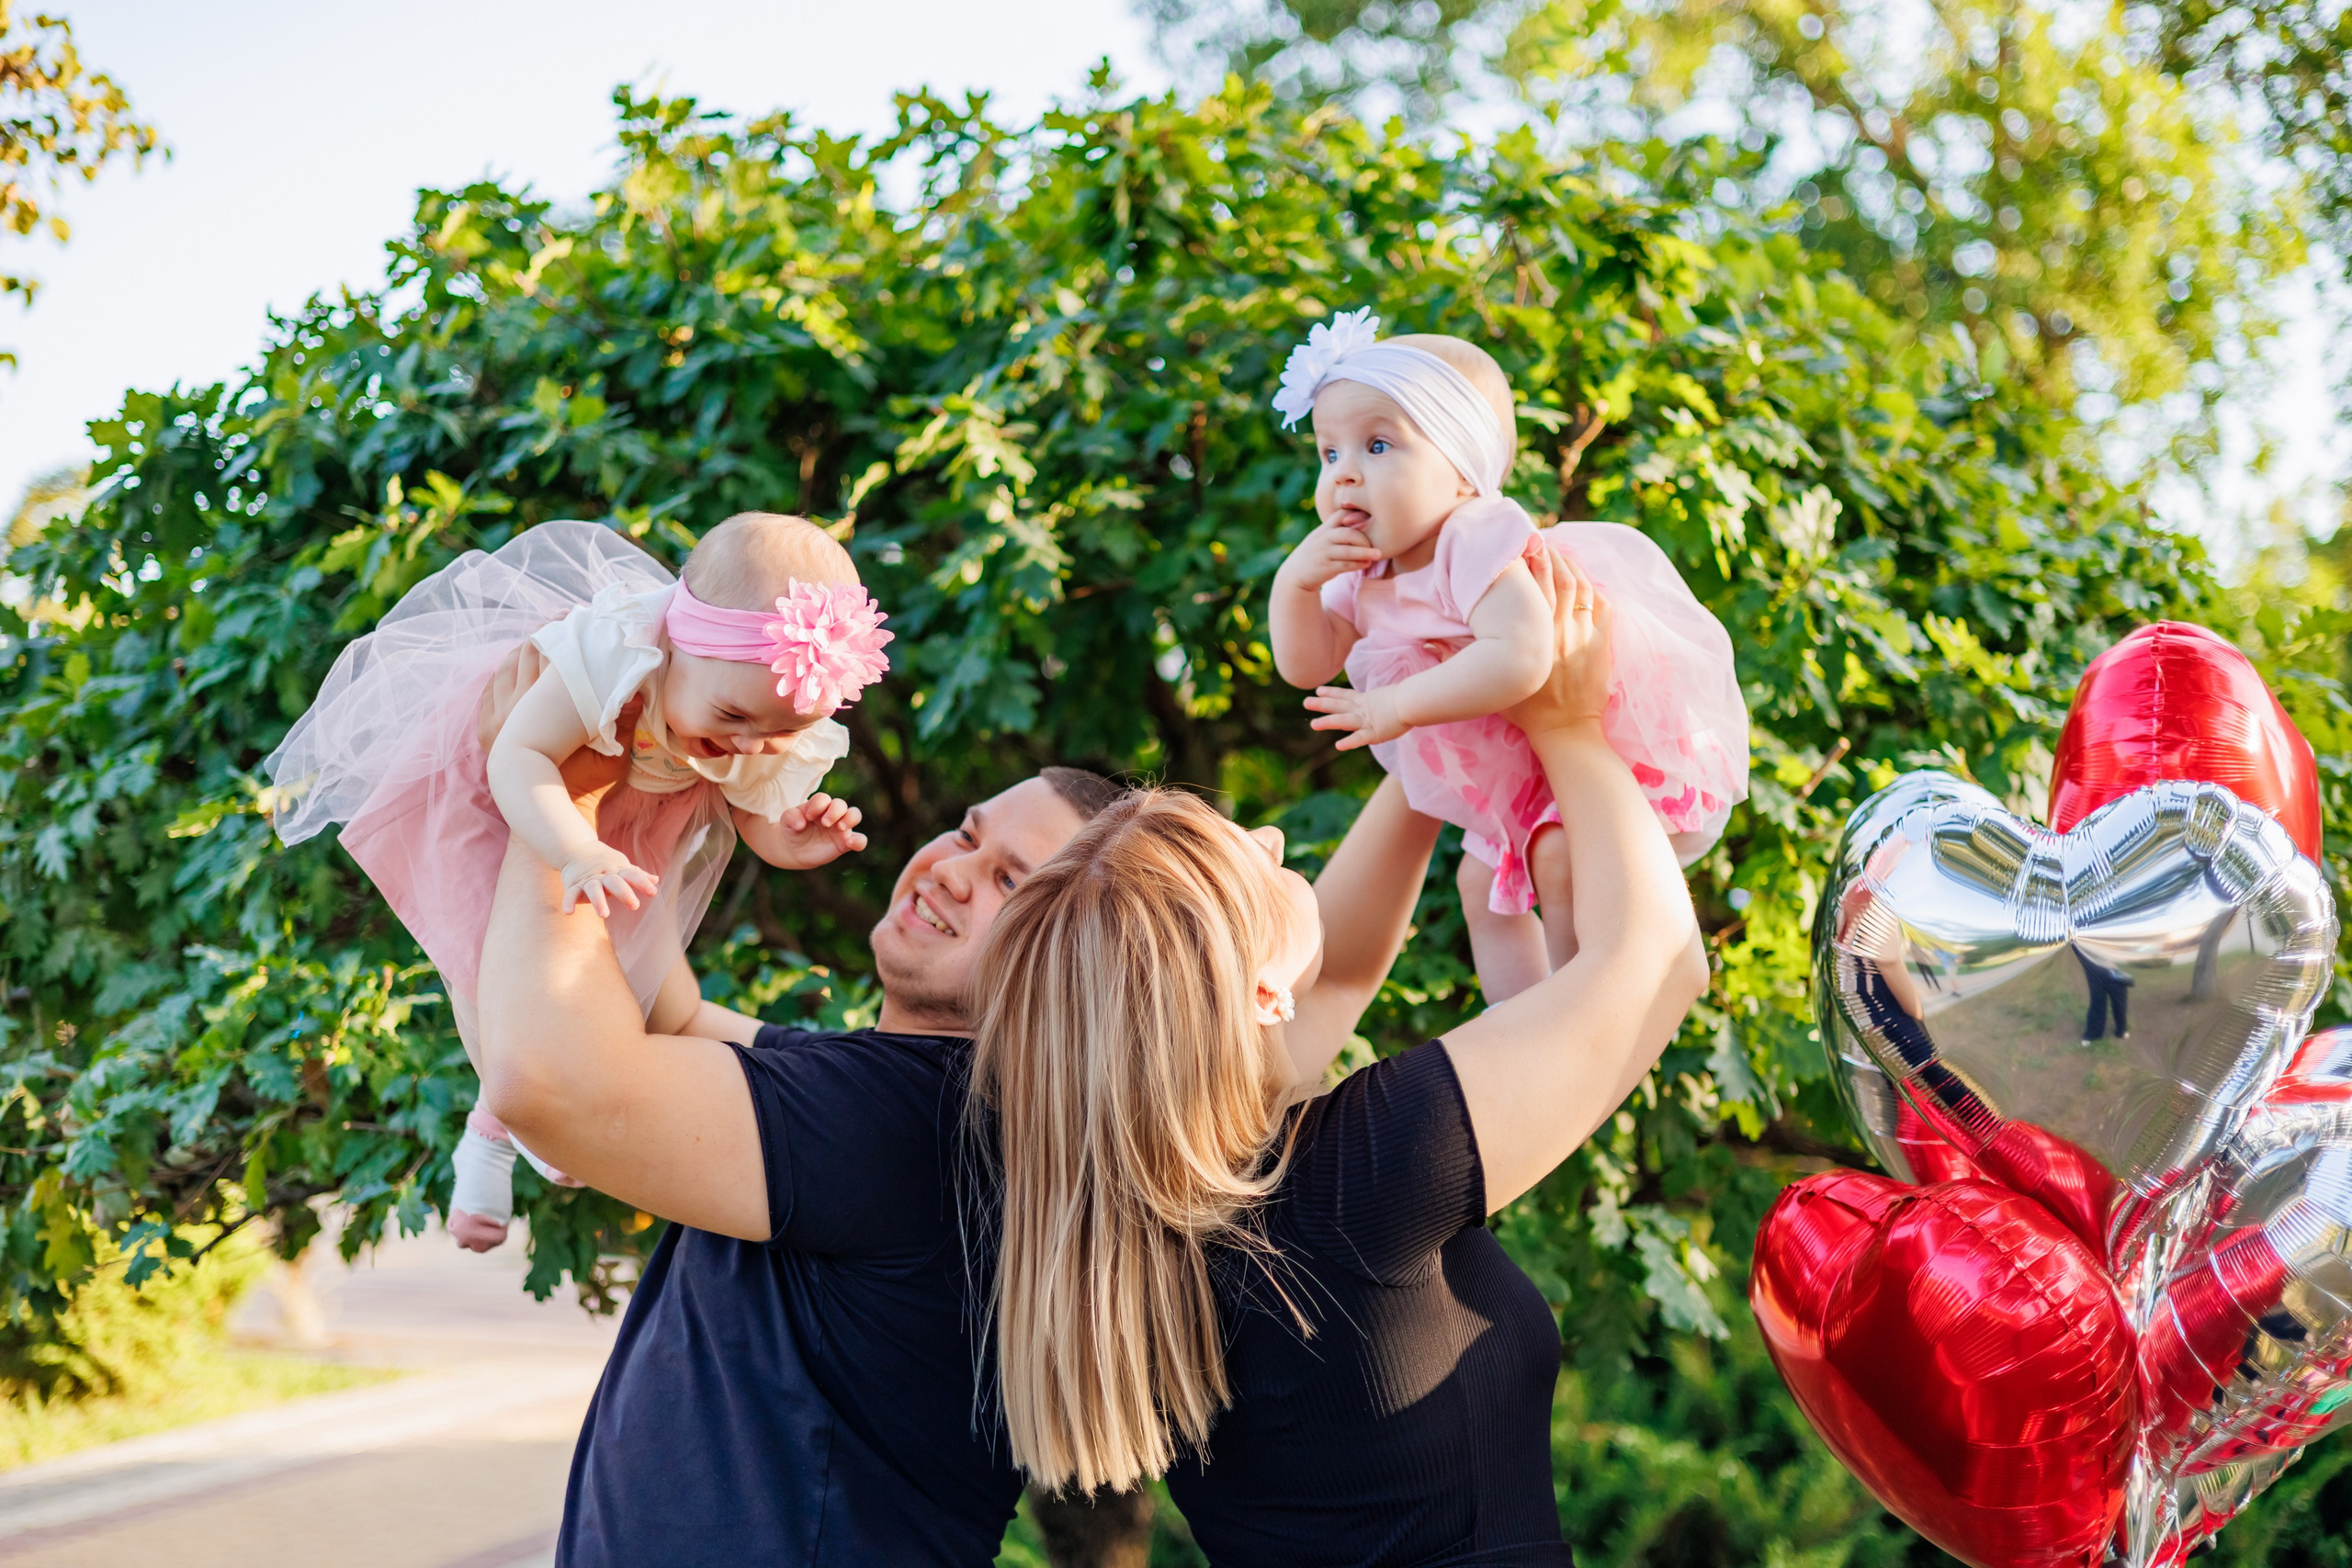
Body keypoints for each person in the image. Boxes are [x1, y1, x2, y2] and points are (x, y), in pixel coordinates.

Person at [974, 547, 1710, 1564]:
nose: (1278, 841)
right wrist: (1565, 722)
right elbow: (1659, 965)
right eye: (1256, 864)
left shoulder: (1147, 1202)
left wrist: (1446, 709)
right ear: (1255, 997)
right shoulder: (1360, 1180)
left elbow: (1334, 964)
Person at [470, 742, 1117, 1567]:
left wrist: (562, 775)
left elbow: (547, 1080)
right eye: (965, 835)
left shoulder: (904, 1118)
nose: (955, 871)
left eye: (1009, 882)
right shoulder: (924, 1102)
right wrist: (689, 783)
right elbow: (674, 1017)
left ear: (1071, 966)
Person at [267, 513, 885, 1248]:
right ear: (680, 645)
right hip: (513, 804)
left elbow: (751, 803)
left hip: (620, 829)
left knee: (621, 985)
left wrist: (789, 838)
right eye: (732, 716)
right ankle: (514, 1103)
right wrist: (571, 848)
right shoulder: (611, 653)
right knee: (485, 969)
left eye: (778, 732)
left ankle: (491, 1132)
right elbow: (516, 758)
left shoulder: (755, 705)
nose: (751, 743)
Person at [1268, 308, 1745, 1003]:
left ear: (1462, 473)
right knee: (1480, 887)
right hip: (1519, 768)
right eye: (1329, 452)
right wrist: (1295, 584)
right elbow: (1306, 665)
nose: (1343, 475)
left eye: (1376, 446)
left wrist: (1394, 705)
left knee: (1557, 863)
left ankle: (1586, 1015)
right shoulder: (1362, 568)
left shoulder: (1476, 535)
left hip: (1600, 746)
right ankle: (1516, 1022)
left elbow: (1522, 657)